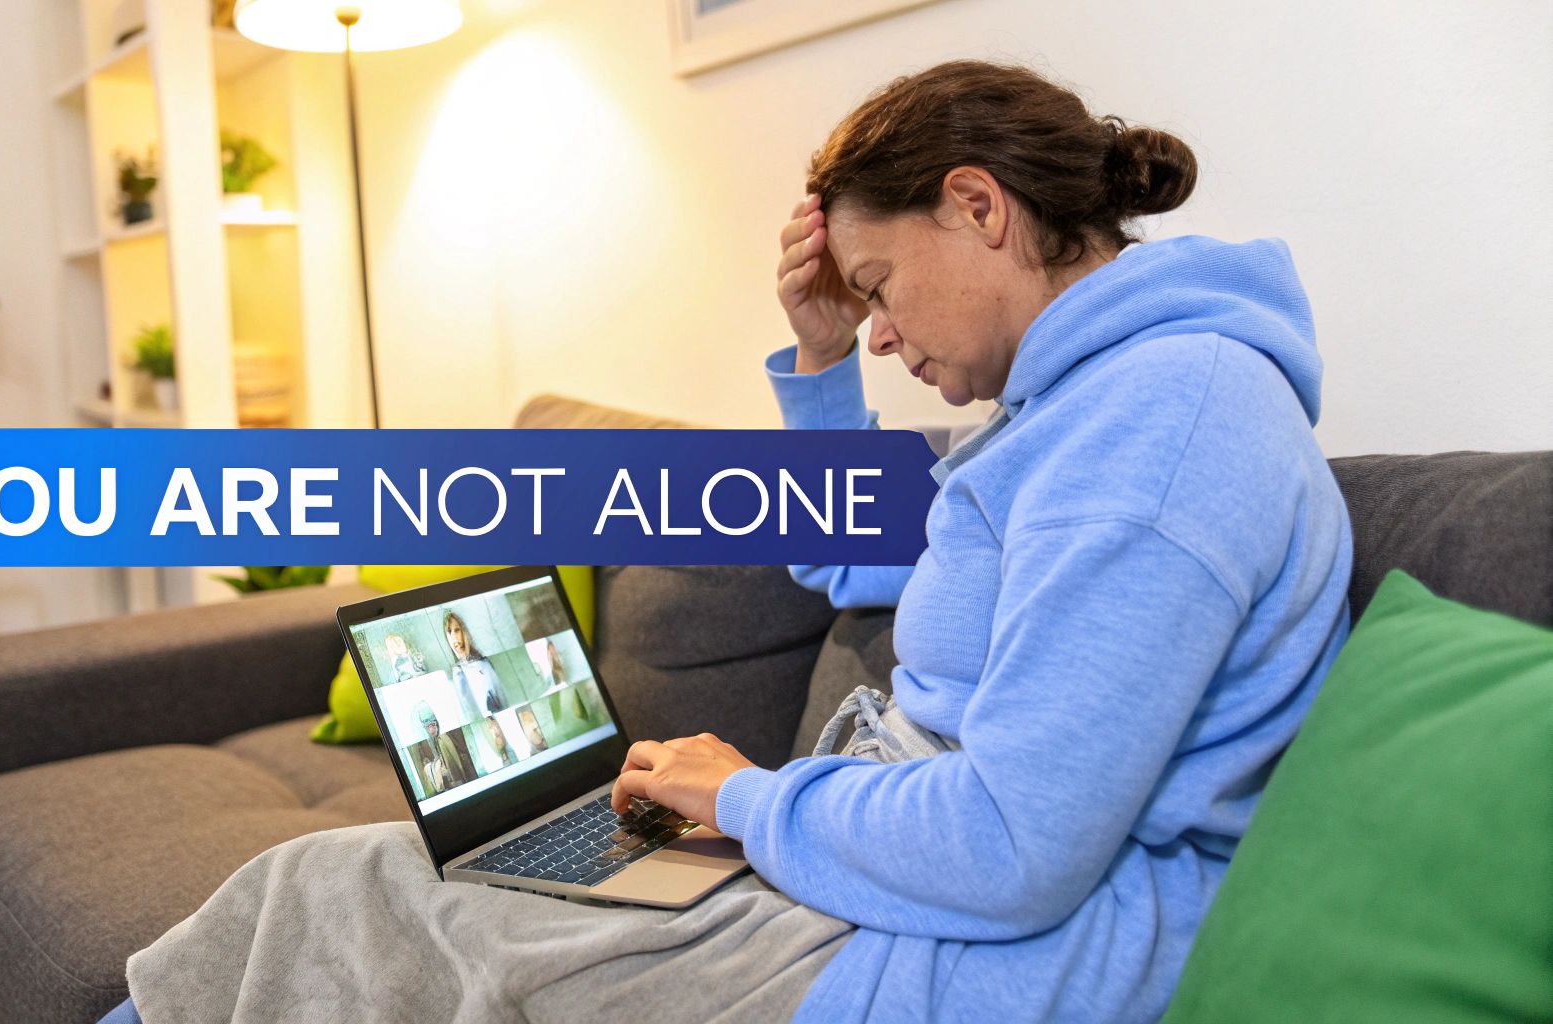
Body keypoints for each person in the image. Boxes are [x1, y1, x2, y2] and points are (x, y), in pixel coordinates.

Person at [102, 59, 1351, 1024]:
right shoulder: (1075, 408)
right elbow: (861, 558)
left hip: (958, 965)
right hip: (885, 881)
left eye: (874, 286)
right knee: (369, 877)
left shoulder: (1157, 426)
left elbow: (1011, 853)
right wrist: (812, 360)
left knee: (343, 896)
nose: (876, 331)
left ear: (975, 206)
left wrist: (747, 801)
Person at [444, 610, 508, 715]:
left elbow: (501, 696)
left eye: (456, 630)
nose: (453, 636)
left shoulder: (484, 663)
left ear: (463, 631)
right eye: (449, 631)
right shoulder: (457, 673)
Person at [411, 701, 470, 795]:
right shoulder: (429, 741)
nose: (431, 730)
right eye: (427, 726)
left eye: (433, 724)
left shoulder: (444, 738)